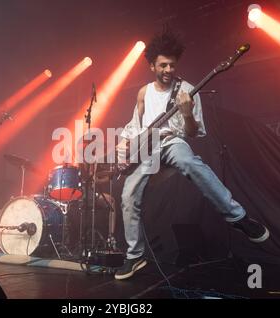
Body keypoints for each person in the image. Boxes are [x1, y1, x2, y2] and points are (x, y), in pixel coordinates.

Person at [114, 29, 269, 280]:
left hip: (172, 140)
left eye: (172, 65)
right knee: (128, 195)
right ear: (152, 65)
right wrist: (123, 144)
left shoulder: (187, 89)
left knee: (190, 162)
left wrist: (187, 112)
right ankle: (134, 256)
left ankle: (238, 217)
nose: (168, 69)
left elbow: (194, 132)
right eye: (162, 65)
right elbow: (135, 125)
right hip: (146, 146)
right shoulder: (143, 93)